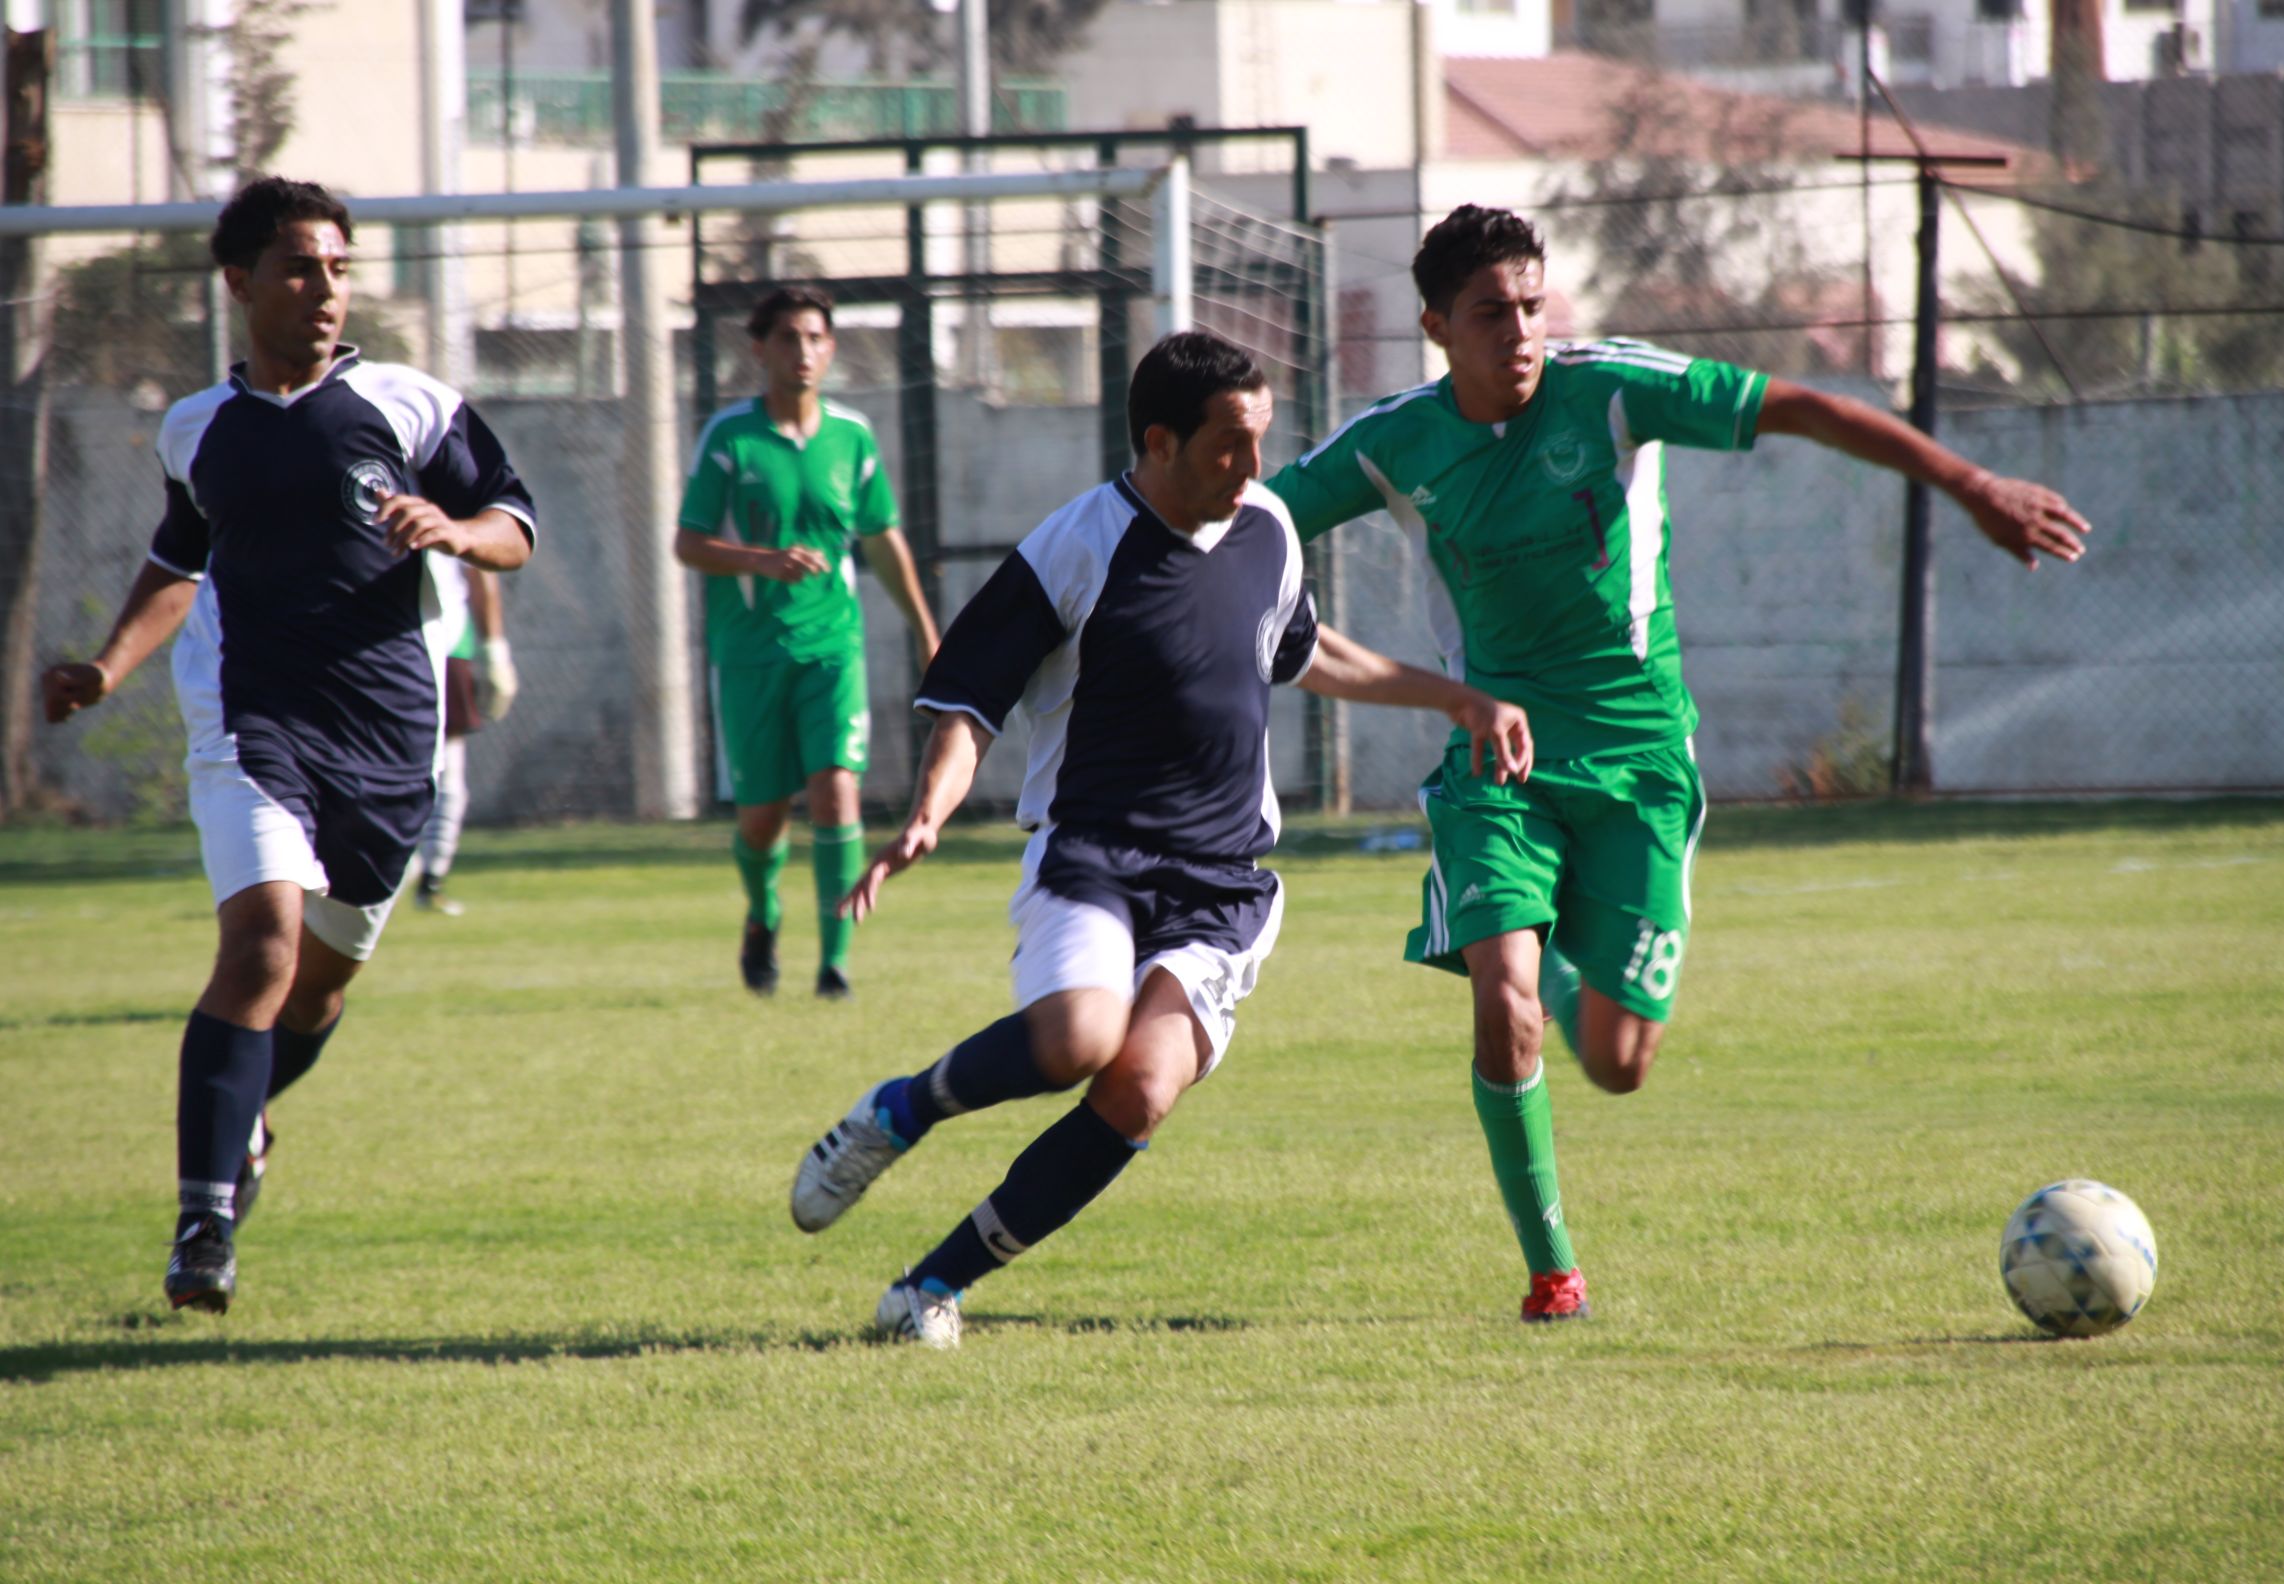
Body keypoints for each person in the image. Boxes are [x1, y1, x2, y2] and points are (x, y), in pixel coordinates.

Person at [1263, 205, 2091, 1323]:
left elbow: (1797, 407)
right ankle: (1553, 1274)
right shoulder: (1393, 442)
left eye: (1530, 304)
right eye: (1489, 313)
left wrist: (1971, 485)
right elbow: (1257, 522)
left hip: (1643, 765)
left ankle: (1546, 964)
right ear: (1434, 326)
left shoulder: (1610, 390)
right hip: (1498, 763)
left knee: (1616, 1062)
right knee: (1503, 1007)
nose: (1519, 330)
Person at [786, 330, 1534, 1349]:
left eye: (1261, 441)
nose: (1253, 468)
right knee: (1078, 1041)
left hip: (1222, 885)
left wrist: (1457, 699)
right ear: (1160, 442)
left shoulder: (1267, 528)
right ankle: (899, 1112)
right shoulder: (1077, 544)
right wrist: (929, 811)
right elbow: (968, 702)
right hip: (1092, 856)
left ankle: (929, 1288)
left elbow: (1310, 654)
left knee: (1137, 1088)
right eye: (1230, 444)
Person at [41, 176, 537, 1313]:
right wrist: (110, 667)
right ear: (241, 282)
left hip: (390, 741)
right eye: (300, 268)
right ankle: (202, 1223)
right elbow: (181, 561)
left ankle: (248, 1119)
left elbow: (515, 523)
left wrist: (454, 529)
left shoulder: (412, 408)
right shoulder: (197, 429)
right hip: (251, 721)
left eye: (338, 269)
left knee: (315, 995)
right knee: (261, 947)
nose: (324, 290)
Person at [674, 285, 940, 1000]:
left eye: (817, 337)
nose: (805, 351)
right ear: (759, 350)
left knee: (836, 790)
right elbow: (687, 542)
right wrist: (761, 559)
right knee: (762, 820)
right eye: (789, 338)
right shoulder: (731, 438)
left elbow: (881, 536)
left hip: (833, 647)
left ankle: (835, 964)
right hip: (751, 654)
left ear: (832, 348)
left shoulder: (852, 436)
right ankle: (763, 913)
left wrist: (925, 629)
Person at [411, 552, 519, 916]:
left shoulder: (448, 500)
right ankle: (399, 861)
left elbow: (480, 568)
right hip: (380, 643)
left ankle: (431, 876)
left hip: (446, 641)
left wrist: (494, 648)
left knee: (448, 766)